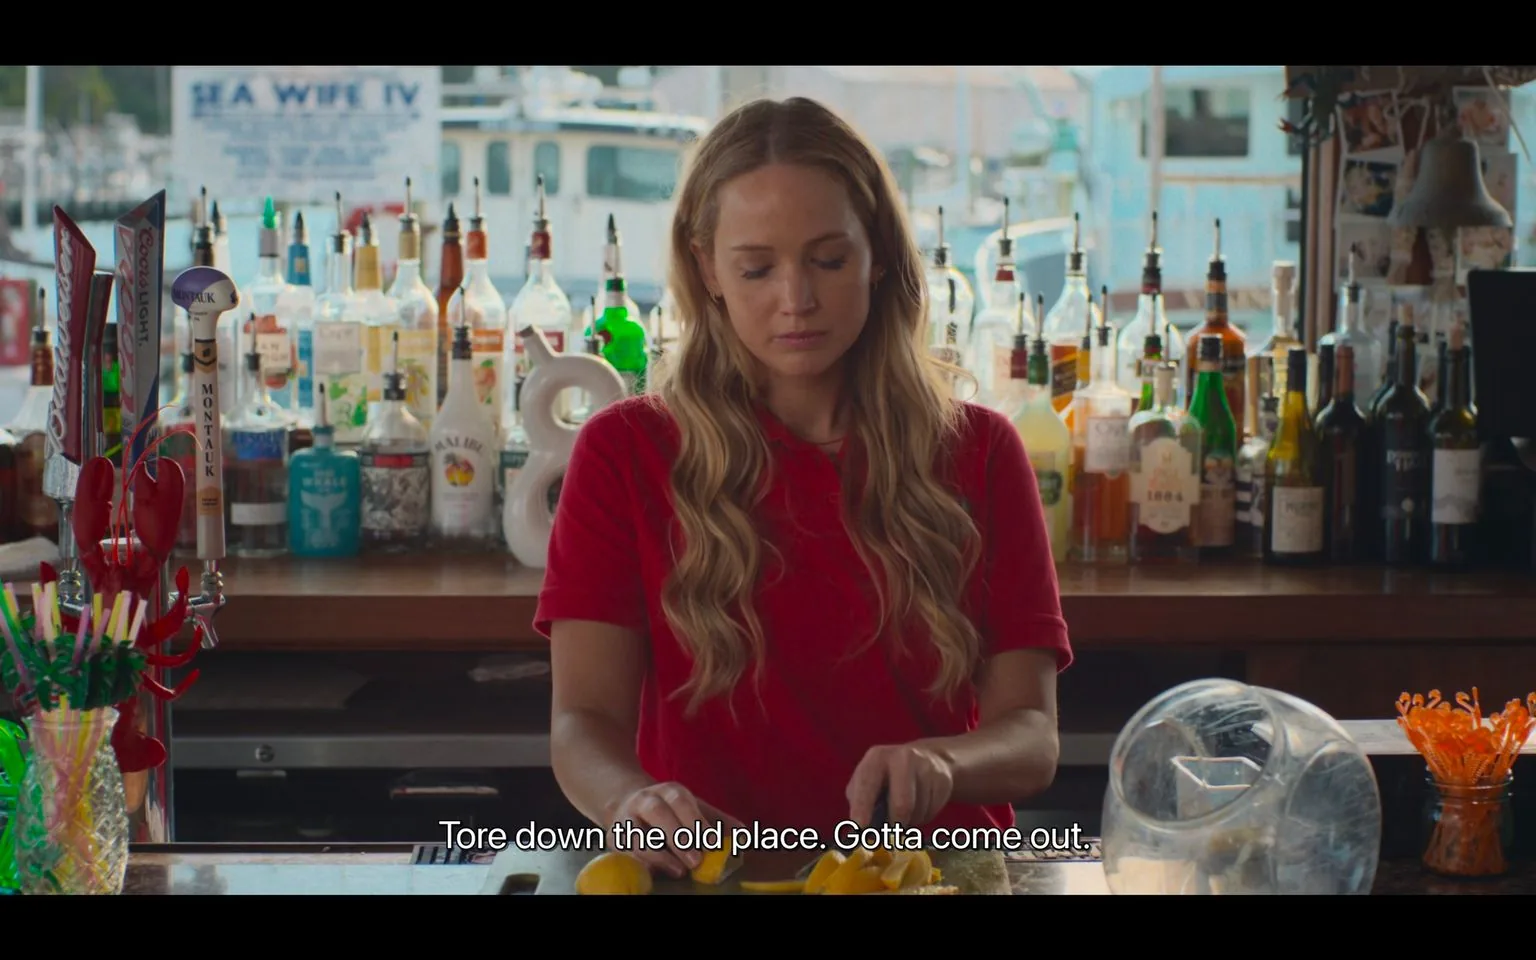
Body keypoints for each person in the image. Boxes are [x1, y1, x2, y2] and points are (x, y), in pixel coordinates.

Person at [535, 96, 1072, 879]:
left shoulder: (981, 452)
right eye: (757, 267)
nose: (796, 300)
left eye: (828, 260)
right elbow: (583, 722)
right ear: (707, 269)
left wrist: (944, 765)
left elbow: (1032, 734)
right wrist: (631, 802)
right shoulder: (624, 453)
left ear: (879, 255)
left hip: (931, 874)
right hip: (718, 875)